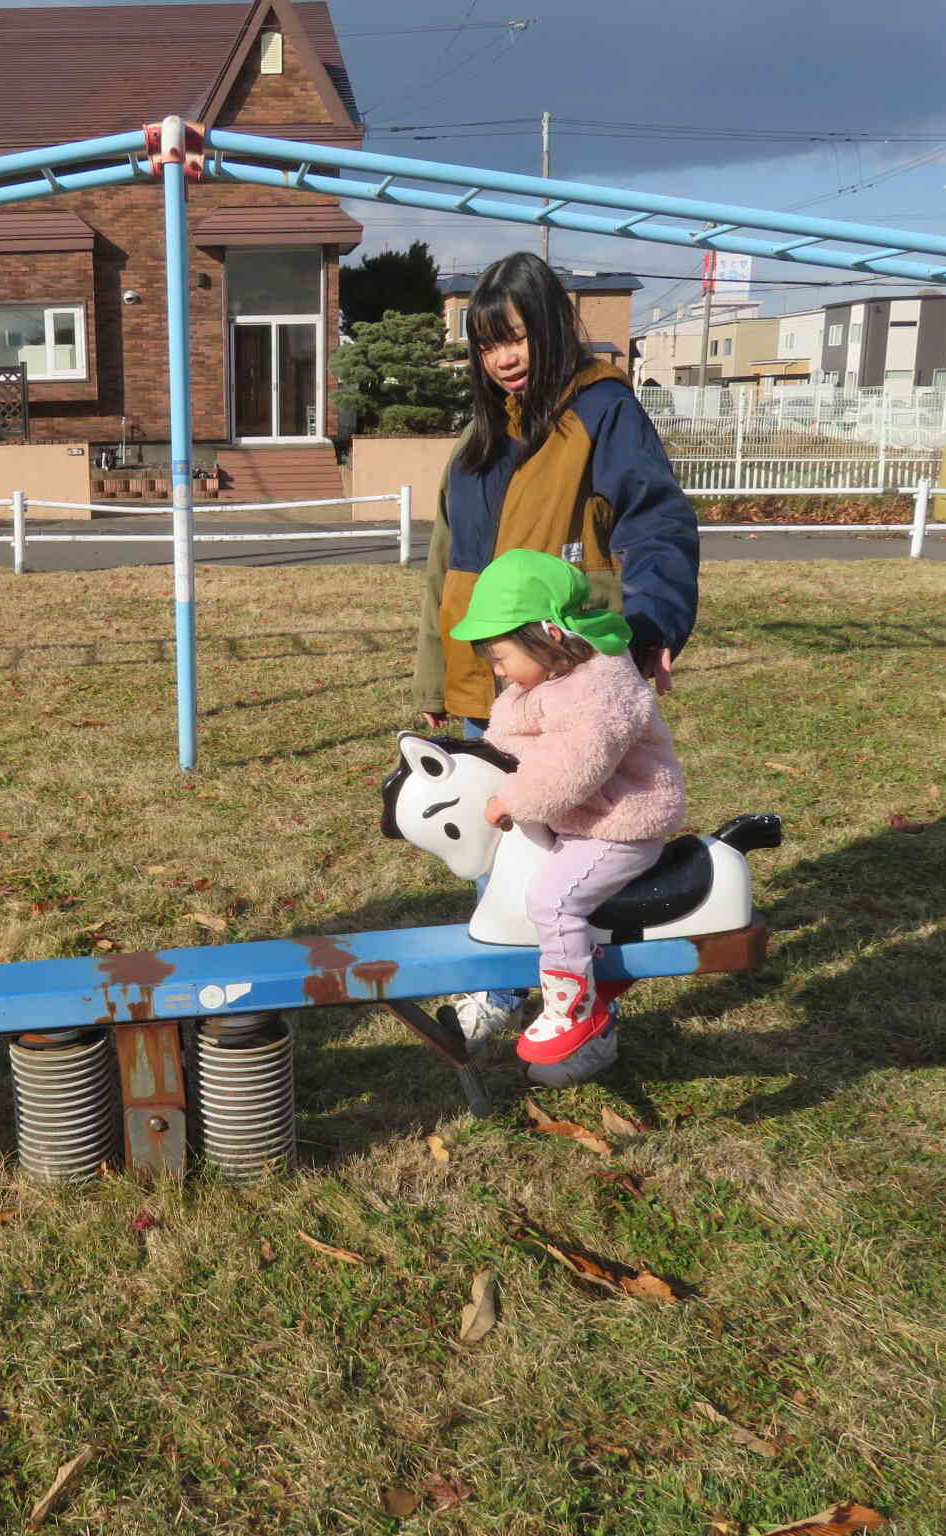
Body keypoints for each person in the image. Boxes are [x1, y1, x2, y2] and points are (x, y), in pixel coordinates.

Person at [412, 251, 699, 1045]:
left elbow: (657, 524)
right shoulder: (477, 441)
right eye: (485, 343)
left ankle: (572, 990)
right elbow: (446, 568)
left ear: (550, 328)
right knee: (499, 840)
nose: (502, 359)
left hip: (566, 676)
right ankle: (509, 980)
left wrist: (655, 623)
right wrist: (437, 672)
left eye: (516, 337)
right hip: (490, 681)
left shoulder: (601, 414)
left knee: (572, 836)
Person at [450, 549, 688, 1085]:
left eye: (500, 655)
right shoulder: (540, 683)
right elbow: (506, 737)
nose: (496, 668)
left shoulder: (601, 687)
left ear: (548, 636)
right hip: (581, 822)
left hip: (618, 826)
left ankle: (572, 1008)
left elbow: (571, 769)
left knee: (552, 900)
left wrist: (512, 800)